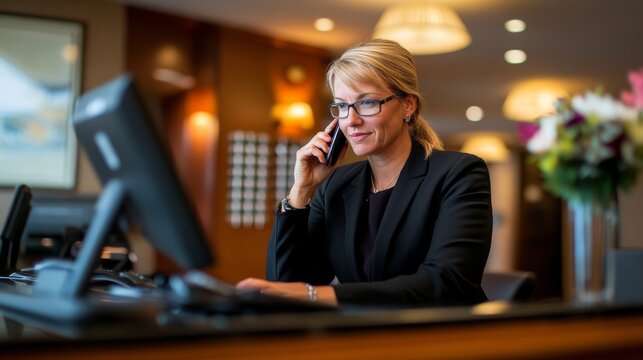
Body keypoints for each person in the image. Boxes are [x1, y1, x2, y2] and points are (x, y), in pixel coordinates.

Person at [237, 39, 492, 308]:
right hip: (365, 337)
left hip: (443, 338)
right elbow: (285, 285)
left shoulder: (458, 173)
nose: (351, 120)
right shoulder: (336, 184)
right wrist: (300, 192)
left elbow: (447, 282)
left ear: (408, 105)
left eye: (367, 103)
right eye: (342, 106)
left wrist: (320, 295)